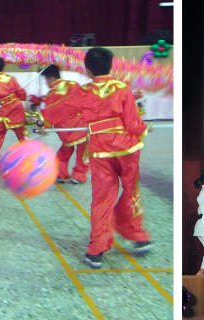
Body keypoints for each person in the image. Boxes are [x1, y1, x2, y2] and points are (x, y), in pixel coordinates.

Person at [74, 48, 151, 268]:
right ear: (111, 67)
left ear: (88, 70)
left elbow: (64, 110)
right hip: (127, 150)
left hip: (101, 152)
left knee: (102, 199)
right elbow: (134, 123)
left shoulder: (83, 92)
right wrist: (143, 130)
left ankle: (96, 250)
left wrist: (41, 122)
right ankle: (137, 235)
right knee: (131, 192)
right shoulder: (122, 88)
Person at [37, 64, 89, 184]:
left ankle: (61, 173)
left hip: (66, 128)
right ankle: (79, 175)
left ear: (50, 78)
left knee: (65, 150)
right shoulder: (74, 84)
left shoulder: (53, 93)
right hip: (82, 124)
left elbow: (50, 111)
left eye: (46, 80)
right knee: (83, 152)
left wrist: (42, 125)